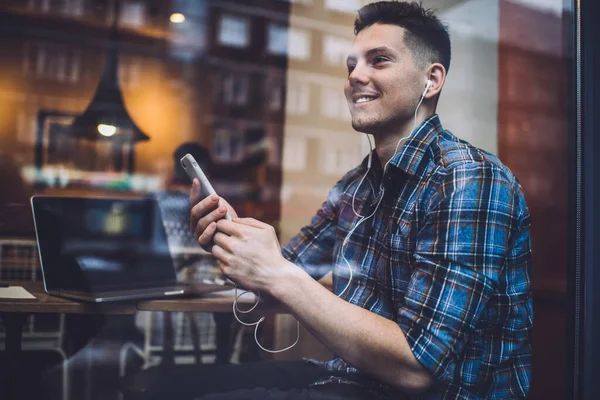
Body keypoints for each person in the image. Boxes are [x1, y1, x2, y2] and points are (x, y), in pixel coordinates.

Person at [144, 1, 533, 399]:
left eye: (379, 60)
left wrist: (277, 272)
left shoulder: (469, 179)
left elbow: (417, 367)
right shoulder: (356, 186)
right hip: (351, 379)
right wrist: (232, 243)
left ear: (431, 81)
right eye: (352, 64)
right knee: (164, 387)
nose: (355, 76)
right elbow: (283, 277)